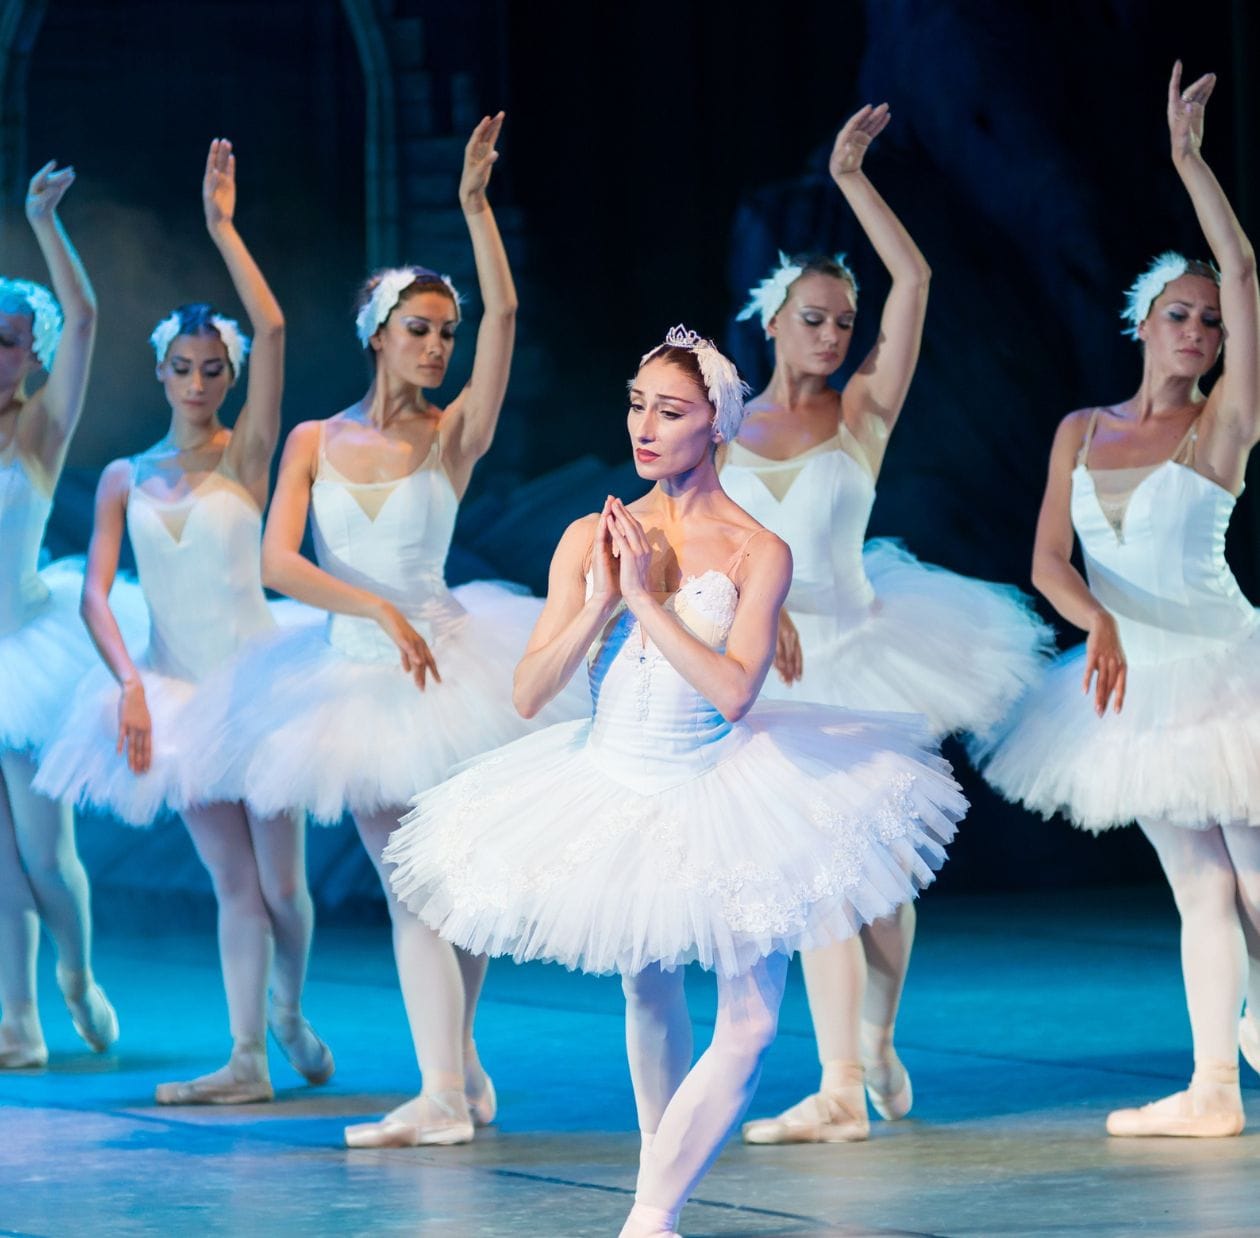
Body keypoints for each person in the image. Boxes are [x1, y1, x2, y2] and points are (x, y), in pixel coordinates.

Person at [384, 325, 967, 1236]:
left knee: (752, 1021)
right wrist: (606, 599)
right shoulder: (591, 535)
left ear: (718, 425)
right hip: (613, 778)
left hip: (728, 783)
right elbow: (532, 690)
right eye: (637, 404)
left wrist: (651, 600)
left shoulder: (755, 549)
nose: (644, 426)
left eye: (670, 410)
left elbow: (736, 692)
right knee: (644, 989)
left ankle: (649, 1215)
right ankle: (665, 1192)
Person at [192, 114, 587, 1146]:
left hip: (453, 665)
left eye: (444, 332)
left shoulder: (453, 437)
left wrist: (473, 207)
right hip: (354, 679)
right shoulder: (321, 439)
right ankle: (451, 1082)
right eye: (419, 328)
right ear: (377, 332)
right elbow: (279, 562)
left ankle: (448, 1087)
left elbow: (505, 309)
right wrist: (369, 604)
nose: (438, 344)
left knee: (451, 881)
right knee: (416, 881)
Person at [722, 106, 1052, 1143]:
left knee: (877, 877)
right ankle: (833, 1086)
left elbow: (914, 285)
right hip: (766, 668)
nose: (831, 332)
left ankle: (873, 1034)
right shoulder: (724, 421)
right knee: (813, 867)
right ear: (772, 319)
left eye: (840, 319)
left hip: (866, 650)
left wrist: (853, 181)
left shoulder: (861, 408)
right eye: (812, 316)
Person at [975, 63, 1260, 1137]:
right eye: (1177, 315)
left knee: (1252, 883)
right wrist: (1095, 621)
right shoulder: (1082, 431)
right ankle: (1213, 1092)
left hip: (1225, 668)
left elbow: (1239, 268)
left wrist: (1190, 163)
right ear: (1143, 323)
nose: (1198, 329)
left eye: (1211, 323)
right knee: (1197, 886)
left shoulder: (1223, 424)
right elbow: (1051, 558)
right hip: (1130, 674)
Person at [35, 140, 331, 1104]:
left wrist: (221, 227)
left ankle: (288, 1009)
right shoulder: (125, 475)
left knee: (284, 891)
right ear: (160, 372)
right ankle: (246, 1056)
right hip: (179, 695)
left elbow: (277, 329)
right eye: (183, 367)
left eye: (213, 368)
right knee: (231, 884)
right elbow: (93, 590)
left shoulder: (247, 459)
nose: (198, 382)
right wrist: (129, 684)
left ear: (228, 377)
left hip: (263, 688)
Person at [0, 160, 143, 1068]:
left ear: (35, 353)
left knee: (45, 857)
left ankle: (77, 976)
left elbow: (88, 318)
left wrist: (42, 223)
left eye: (10, 342)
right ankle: (17, 1020)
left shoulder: (41, 431)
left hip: (26, 652)